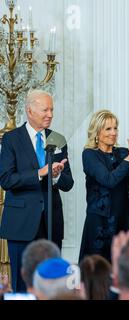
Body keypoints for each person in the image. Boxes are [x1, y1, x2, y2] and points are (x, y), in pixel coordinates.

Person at [0, 90, 74, 292]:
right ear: (30, 111)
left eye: (52, 110)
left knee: (52, 283)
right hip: (21, 223)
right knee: (21, 284)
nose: (50, 114)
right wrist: (40, 173)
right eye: (45, 109)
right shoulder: (11, 139)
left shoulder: (58, 139)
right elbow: (6, 179)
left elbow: (68, 183)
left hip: (51, 222)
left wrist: (56, 175)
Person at [78, 110, 129, 262]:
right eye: (108, 129)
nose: (113, 133)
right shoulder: (90, 154)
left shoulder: (123, 153)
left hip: (127, 220)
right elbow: (109, 180)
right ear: (97, 131)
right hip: (101, 225)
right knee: (100, 271)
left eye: (115, 128)